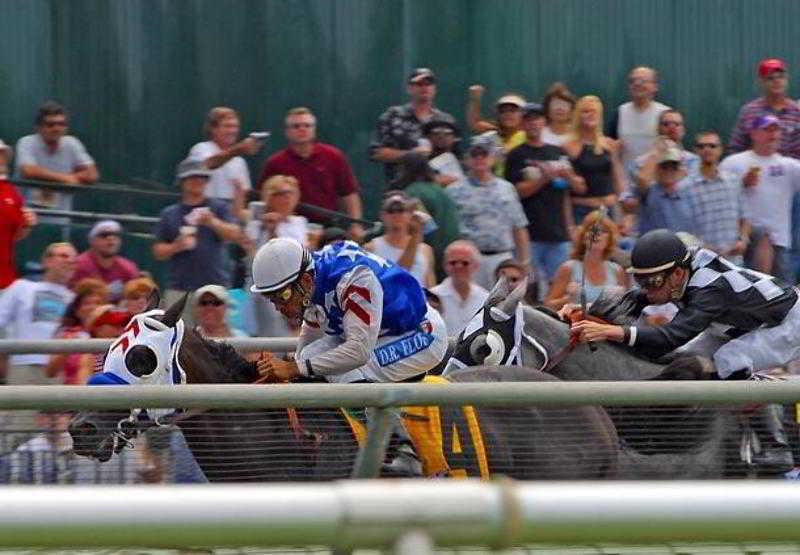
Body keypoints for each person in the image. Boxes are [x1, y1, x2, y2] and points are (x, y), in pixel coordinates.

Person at [568, 229, 800, 473]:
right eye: (641, 281)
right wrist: (579, 311)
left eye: (654, 282)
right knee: (683, 359)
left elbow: (671, 336)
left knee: (729, 358)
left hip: (788, 322)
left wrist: (611, 332)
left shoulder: (709, 288)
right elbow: (635, 300)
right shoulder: (679, 273)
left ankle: (777, 446)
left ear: (677, 273)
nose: (648, 290)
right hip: (742, 323)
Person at [250, 237, 448, 474]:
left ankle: (402, 450)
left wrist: (293, 369)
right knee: (310, 358)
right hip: (381, 331)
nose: (278, 307)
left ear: (304, 280)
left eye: (282, 296)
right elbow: (310, 337)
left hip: (421, 334)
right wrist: (293, 368)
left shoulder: (354, 280)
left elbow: (358, 352)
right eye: (270, 298)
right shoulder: (312, 278)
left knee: (345, 368)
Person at [505, 103, 586, 289]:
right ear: (522, 124)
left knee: (560, 286)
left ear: (544, 122)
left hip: (558, 234)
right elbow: (516, 191)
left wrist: (568, 176)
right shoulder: (516, 155)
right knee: (527, 286)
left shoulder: (558, 152)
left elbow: (579, 188)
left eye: (537, 119)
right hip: (528, 234)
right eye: (528, 120)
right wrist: (544, 178)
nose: (533, 124)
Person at [719, 115, 800, 281]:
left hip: (778, 240)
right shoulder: (733, 163)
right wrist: (741, 184)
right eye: (767, 129)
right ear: (754, 134)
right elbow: (716, 194)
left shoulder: (789, 166)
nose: (773, 134)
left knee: (783, 294)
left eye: (776, 129)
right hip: (740, 241)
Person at [260, 107, 362, 237]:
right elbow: (264, 198)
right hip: (287, 228)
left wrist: (355, 225)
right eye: (296, 126)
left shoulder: (334, 156)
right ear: (287, 132)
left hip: (327, 228)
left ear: (314, 129)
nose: (302, 129)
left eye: (307, 125)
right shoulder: (275, 162)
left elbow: (349, 194)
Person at [152, 159, 241, 308]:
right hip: (179, 289)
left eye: (202, 177)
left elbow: (235, 234)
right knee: (179, 331)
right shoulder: (169, 214)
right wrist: (176, 246)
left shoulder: (219, 208)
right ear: (182, 181)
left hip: (215, 287)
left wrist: (212, 222)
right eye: (192, 177)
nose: (198, 181)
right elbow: (157, 251)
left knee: (215, 331)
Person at [446, 134, 530, 289]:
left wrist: (524, 261)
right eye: (474, 155)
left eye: (484, 154)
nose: (479, 159)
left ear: (493, 158)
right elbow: (449, 229)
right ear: (467, 159)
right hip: (469, 259)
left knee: (503, 305)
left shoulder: (507, 188)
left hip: (502, 256)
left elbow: (519, 226)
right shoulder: (454, 190)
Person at [0, 242, 76, 386]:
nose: (70, 261)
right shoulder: (21, 287)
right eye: (64, 256)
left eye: (73, 259)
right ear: (46, 261)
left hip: (58, 371)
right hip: (24, 366)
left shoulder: (74, 298)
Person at [370, 68, 456, 184]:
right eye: (419, 84)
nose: (424, 87)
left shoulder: (446, 121)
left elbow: (457, 159)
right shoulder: (393, 116)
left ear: (434, 89)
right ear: (409, 88)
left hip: (437, 193)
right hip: (402, 191)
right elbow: (376, 152)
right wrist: (410, 155)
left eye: (428, 83)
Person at [14, 101, 98, 217]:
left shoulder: (72, 143)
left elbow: (92, 174)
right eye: (50, 124)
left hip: (61, 219)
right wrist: (66, 178)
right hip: (26, 219)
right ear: (38, 128)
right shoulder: (26, 142)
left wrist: (69, 178)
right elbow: (28, 171)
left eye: (61, 124)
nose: (56, 128)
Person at [390, 153, 461, 281]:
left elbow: (425, 227)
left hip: (432, 253)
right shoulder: (441, 190)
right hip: (452, 252)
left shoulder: (413, 192)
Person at [685, 131, 749, 265]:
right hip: (701, 261)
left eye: (712, 146)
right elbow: (682, 225)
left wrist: (742, 240)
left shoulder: (733, 181)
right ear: (695, 150)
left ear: (721, 150)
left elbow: (745, 216)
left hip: (734, 260)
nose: (707, 149)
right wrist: (703, 247)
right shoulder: (685, 186)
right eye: (701, 146)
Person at [545, 212, 626, 310]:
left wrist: (622, 300)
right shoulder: (568, 268)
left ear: (610, 239)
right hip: (576, 323)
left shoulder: (617, 270)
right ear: (583, 237)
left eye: (603, 231)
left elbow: (627, 309)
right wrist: (568, 298)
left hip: (607, 324)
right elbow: (548, 306)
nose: (597, 234)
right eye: (592, 230)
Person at [188, 106, 263, 212]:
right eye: (227, 126)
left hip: (230, 214)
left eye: (235, 127)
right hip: (203, 210)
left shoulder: (240, 161)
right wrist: (238, 149)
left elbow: (244, 194)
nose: (233, 131)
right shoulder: (201, 149)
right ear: (213, 128)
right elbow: (208, 164)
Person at [563, 95, 625, 224]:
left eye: (594, 112)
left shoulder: (608, 144)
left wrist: (624, 214)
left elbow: (617, 178)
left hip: (608, 209)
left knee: (609, 244)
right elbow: (565, 192)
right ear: (578, 116)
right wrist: (569, 225)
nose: (590, 115)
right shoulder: (568, 146)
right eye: (585, 111)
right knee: (587, 244)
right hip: (582, 210)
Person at [729, 58, 800, 159]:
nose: (777, 81)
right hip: (757, 170)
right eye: (771, 78)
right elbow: (736, 147)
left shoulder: (796, 112)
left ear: (787, 80)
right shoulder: (749, 111)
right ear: (761, 82)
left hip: (790, 171)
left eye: (781, 77)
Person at [365, 191, 436, 288]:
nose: (396, 215)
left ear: (410, 214)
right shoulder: (371, 249)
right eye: (391, 210)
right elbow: (397, 279)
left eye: (401, 210)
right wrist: (415, 235)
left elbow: (430, 286)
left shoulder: (425, 250)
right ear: (382, 215)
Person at [46, 278, 108, 385]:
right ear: (77, 310)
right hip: (73, 396)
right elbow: (50, 372)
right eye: (87, 303)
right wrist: (67, 348)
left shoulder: (114, 333)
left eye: (98, 303)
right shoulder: (67, 334)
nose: (92, 307)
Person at [606, 66, 671, 168]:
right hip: (625, 179)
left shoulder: (665, 113)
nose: (637, 84)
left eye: (643, 81)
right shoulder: (620, 112)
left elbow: (673, 149)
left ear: (655, 86)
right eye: (633, 81)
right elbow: (609, 147)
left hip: (657, 180)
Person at [70, 220, 140, 302]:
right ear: (92, 240)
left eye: (116, 235)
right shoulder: (77, 266)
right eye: (104, 235)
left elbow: (136, 298)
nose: (111, 238)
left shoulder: (128, 268)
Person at [430, 240, 489, 335]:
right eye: (453, 262)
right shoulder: (432, 296)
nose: (458, 266)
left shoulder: (485, 298)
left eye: (465, 263)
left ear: (476, 266)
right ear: (445, 266)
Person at [465, 85, 527, 175]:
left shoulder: (529, 136)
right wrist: (475, 99)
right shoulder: (492, 134)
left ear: (523, 114)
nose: (507, 114)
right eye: (503, 111)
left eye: (513, 110)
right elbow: (474, 123)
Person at [631, 147, 694, 236]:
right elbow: (642, 178)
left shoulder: (687, 194)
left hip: (682, 246)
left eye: (674, 168)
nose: (669, 171)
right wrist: (656, 151)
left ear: (680, 171)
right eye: (664, 167)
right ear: (656, 169)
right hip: (654, 247)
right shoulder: (649, 192)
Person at [0, 139, 36, 289]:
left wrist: (27, 225)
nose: (2, 159)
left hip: (6, 279)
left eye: (3, 154)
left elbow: (15, 235)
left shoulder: (10, 191)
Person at [632, 109, 700, 189]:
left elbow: (690, 189)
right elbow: (643, 186)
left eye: (677, 124)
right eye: (666, 124)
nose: (672, 127)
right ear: (658, 129)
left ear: (683, 130)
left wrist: (656, 177)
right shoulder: (640, 162)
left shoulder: (694, 161)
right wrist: (656, 154)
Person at [244, 175, 309, 250]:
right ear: (269, 198)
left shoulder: (300, 221)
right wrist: (272, 232)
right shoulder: (257, 223)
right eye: (282, 193)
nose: (288, 197)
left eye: (291, 192)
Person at [420, 119, 465, 185]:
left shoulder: (465, 162)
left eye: (447, 133)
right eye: (436, 133)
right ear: (428, 137)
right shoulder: (421, 161)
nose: (441, 136)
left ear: (455, 138)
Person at [541, 82, 577, 147]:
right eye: (555, 104)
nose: (560, 108)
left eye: (564, 105)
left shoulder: (577, 136)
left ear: (572, 111)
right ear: (547, 109)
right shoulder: (539, 134)